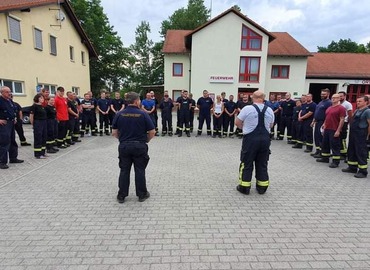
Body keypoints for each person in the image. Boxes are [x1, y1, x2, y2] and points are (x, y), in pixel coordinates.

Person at [112, 92, 155, 203]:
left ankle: (121, 195)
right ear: (136, 101)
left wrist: (122, 140)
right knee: (140, 170)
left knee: (124, 170)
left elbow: (114, 132)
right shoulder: (143, 114)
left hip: (124, 146)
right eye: (139, 100)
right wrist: (146, 140)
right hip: (139, 146)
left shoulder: (119, 114)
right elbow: (152, 132)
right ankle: (142, 195)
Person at [235, 90, 274, 195]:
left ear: (253, 97)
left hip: (250, 140)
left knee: (246, 162)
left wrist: (245, 128)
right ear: (263, 98)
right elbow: (271, 125)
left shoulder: (247, 109)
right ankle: (262, 187)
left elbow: (237, 122)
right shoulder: (269, 110)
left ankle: (244, 187)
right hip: (265, 140)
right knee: (262, 163)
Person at [342, 96, 370, 178]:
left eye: (360, 101)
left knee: (361, 152)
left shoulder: (367, 111)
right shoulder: (357, 110)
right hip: (353, 134)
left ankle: (363, 171)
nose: (358, 103)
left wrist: (368, 135)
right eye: (357, 101)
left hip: (362, 134)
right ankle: (352, 167)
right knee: (352, 150)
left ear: (366, 102)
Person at [316, 94, 346, 168]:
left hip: (334, 129)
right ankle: (325, 158)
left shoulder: (341, 108)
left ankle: (336, 161)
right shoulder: (329, 108)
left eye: (335, 98)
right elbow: (327, 117)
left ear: (339, 99)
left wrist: (338, 130)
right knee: (325, 144)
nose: (333, 99)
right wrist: (324, 124)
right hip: (327, 128)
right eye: (332, 98)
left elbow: (342, 119)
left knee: (335, 145)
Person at [0, 86, 23, 169]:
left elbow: (14, 110)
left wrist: (15, 118)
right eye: (7, 92)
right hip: (3, 124)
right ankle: (2, 162)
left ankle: (13, 158)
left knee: (12, 141)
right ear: (2, 92)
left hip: (11, 122)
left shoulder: (9, 101)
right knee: (4, 142)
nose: (9, 93)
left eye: (10, 91)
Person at [310, 88, 332, 157]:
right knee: (316, 137)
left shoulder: (329, 103)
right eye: (321, 94)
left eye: (324, 94)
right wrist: (313, 121)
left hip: (322, 122)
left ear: (328, 94)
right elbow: (317, 112)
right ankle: (317, 151)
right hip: (317, 122)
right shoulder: (321, 102)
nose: (322, 95)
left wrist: (324, 123)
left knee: (321, 138)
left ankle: (322, 153)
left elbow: (328, 114)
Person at [30, 94, 49, 158]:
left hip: (44, 122)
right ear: (37, 98)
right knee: (38, 138)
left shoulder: (42, 106)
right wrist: (33, 124)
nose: (42, 99)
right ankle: (38, 154)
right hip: (38, 122)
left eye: (43, 98)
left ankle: (43, 152)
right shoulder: (34, 106)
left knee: (44, 137)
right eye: (40, 98)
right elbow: (31, 116)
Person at [338, 91, 353, 160]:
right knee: (337, 138)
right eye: (339, 96)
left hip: (344, 123)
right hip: (337, 122)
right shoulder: (338, 103)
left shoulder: (347, 104)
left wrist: (350, 123)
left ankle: (343, 154)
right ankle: (338, 152)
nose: (340, 97)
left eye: (341, 96)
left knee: (342, 138)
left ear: (344, 96)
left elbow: (350, 114)